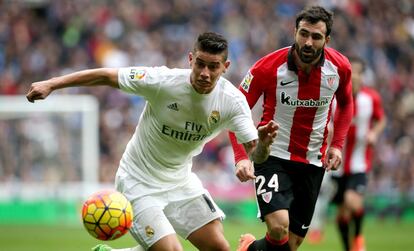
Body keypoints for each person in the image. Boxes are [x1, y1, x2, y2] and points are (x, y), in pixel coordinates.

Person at [26, 32, 278, 251]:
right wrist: (51, 84)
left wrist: (263, 146)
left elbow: (256, 155)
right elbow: (105, 76)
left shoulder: (232, 102)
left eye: (213, 67)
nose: (204, 73)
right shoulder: (162, 81)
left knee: (219, 247)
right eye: (199, 64)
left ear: (225, 67)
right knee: (170, 250)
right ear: (190, 59)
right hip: (138, 181)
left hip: (181, 182)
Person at [228, 6, 354, 251]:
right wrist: (241, 157)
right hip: (272, 155)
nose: (308, 42)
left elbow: (347, 104)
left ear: (326, 40)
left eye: (316, 37)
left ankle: (250, 249)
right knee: (278, 227)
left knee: (290, 244)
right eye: (303, 34)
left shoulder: (340, 68)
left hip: (312, 162)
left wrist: (337, 146)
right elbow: (235, 109)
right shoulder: (267, 68)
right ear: (294, 32)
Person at [331, 56, 386, 251]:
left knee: (351, 201)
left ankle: (359, 238)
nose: (353, 76)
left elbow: (381, 120)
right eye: (350, 71)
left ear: (363, 75)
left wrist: (374, 133)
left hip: (359, 162)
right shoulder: (333, 98)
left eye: (358, 72)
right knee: (342, 214)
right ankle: (348, 247)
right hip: (336, 165)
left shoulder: (371, 98)